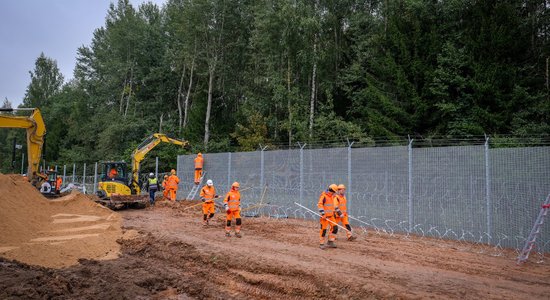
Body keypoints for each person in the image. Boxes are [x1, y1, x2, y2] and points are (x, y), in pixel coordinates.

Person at [317, 184, 342, 249]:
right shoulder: (324, 196)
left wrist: (335, 213)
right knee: (323, 230)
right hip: (324, 217)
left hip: (331, 216)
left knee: (335, 228)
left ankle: (330, 241)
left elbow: (332, 206)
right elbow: (320, 205)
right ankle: (321, 243)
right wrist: (323, 214)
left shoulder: (332, 196)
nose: (334, 193)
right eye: (334, 192)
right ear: (332, 191)